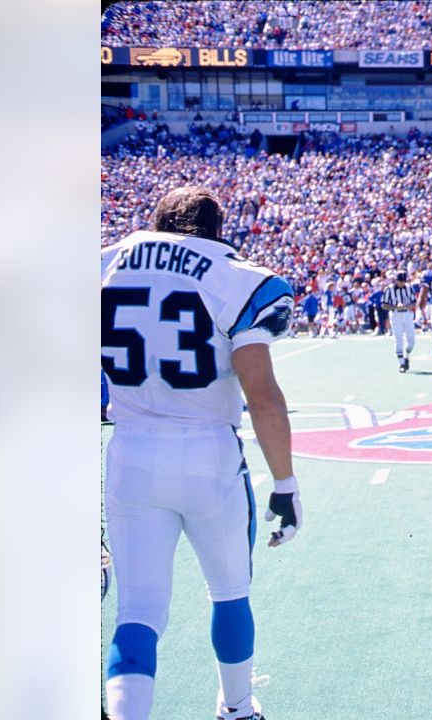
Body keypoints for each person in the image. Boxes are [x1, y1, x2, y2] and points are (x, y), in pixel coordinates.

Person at [101, 186, 301, 720]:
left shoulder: (101, 266)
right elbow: (263, 397)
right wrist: (285, 484)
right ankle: (236, 709)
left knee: (138, 610)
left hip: (131, 452)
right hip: (208, 454)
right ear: (216, 230)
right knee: (230, 592)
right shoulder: (233, 276)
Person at [384, 271, 418, 372]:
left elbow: (414, 302)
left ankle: (406, 357)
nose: (402, 283)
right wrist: (395, 307)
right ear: (396, 280)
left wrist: (405, 306)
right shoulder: (389, 289)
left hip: (407, 314)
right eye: (400, 281)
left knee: (411, 340)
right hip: (395, 314)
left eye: (404, 281)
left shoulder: (409, 287)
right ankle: (401, 363)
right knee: (398, 338)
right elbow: (384, 305)